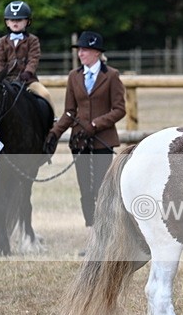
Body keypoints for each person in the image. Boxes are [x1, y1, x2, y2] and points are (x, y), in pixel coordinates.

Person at [42, 31, 125, 241]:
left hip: (101, 141)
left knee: (101, 188)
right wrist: (55, 132)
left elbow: (119, 109)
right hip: (79, 142)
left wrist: (96, 124)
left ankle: (106, 234)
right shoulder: (74, 76)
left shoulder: (112, 76)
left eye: (85, 50)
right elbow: (70, 111)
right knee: (85, 190)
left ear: (96, 52)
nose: (81, 53)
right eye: (79, 50)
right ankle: (92, 234)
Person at [0, 0, 54, 109]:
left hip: (27, 80)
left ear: (27, 22)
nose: (15, 23)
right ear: (7, 22)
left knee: (45, 94)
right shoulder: (2, 41)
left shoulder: (32, 40)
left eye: (19, 20)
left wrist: (28, 73)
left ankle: (53, 121)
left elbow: (33, 59)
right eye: (12, 20)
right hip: (6, 80)